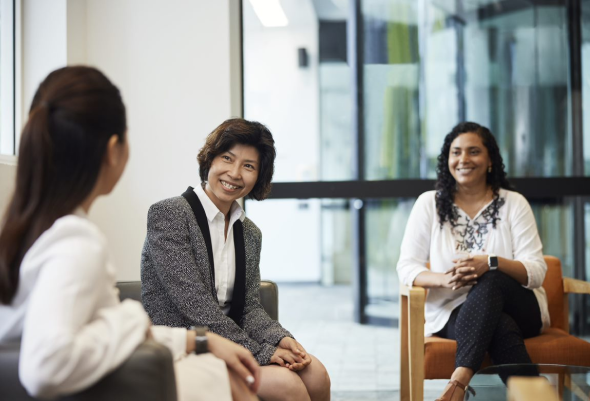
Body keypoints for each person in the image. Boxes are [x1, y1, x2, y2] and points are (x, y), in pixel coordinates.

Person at [0, 66, 260, 401]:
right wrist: (129, 318)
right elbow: (46, 365)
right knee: (229, 383)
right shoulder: (76, 243)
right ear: (114, 149)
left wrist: (196, 340)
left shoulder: (33, 226)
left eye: (249, 166)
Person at [141, 118, 331, 401]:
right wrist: (262, 351)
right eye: (227, 159)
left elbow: (249, 308)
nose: (234, 173)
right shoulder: (169, 215)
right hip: (185, 347)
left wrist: (282, 339)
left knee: (317, 376)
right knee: (286, 386)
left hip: (234, 342)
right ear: (210, 160)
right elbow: (196, 308)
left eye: (249, 166)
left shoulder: (250, 233)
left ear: (259, 175)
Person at [396, 122, 550, 401]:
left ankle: (459, 382)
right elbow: (406, 267)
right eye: (456, 153)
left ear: (490, 159)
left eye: (474, 151)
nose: (463, 160)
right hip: (452, 310)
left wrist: (491, 262)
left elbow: (537, 272)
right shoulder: (428, 204)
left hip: (521, 308)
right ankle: (538, 397)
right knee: (500, 326)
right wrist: (444, 278)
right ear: (448, 161)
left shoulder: (514, 203)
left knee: (491, 275)